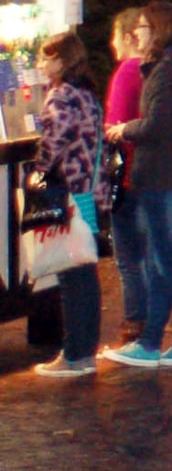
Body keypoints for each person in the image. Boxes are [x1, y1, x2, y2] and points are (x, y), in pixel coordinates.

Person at [100, 1, 172, 369]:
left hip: (162, 176)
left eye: (145, 28)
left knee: (169, 264)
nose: (138, 34)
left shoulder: (166, 71)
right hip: (169, 174)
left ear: (159, 30)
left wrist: (124, 129)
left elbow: (157, 124)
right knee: (162, 264)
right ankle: (153, 341)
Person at [30, 32, 111, 378]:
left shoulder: (61, 96)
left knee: (72, 271)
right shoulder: (86, 94)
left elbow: (55, 138)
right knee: (83, 269)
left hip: (71, 192)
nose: (41, 65)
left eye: (46, 59)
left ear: (63, 62)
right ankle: (83, 349)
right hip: (90, 192)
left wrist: (38, 170)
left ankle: (75, 353)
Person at [103, 9, 148, 345]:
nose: (112, 43)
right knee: (147, 255)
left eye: (116, 35)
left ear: (129, 37)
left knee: (128, 258)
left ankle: (135, 325)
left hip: (128, 175)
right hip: (148, 172)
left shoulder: (127, 71)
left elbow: (115, 125)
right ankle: (146, 323)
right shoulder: (153, 71)